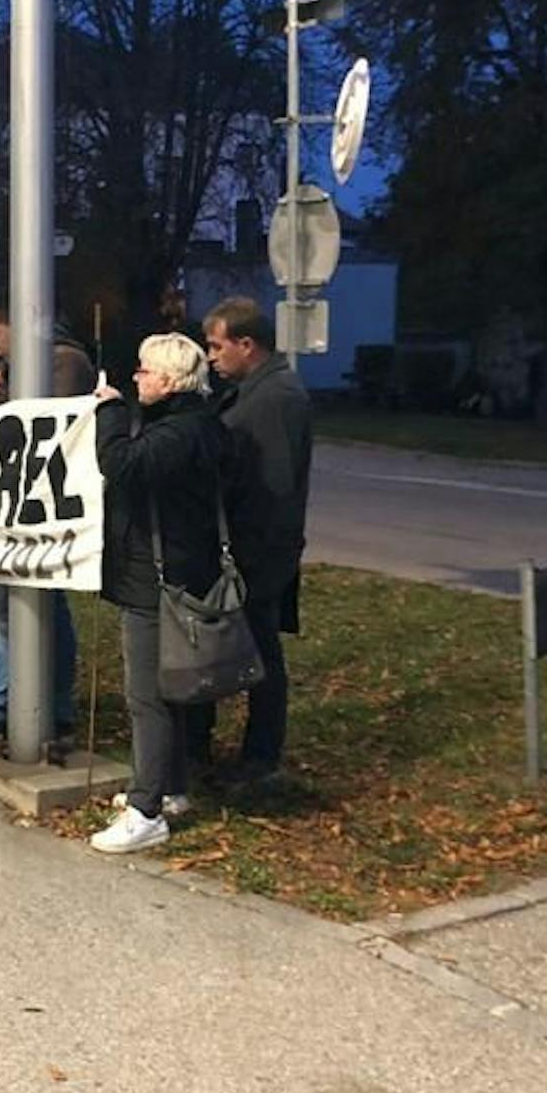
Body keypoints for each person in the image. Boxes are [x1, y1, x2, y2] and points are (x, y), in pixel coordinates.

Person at [88, 333, 223, 854]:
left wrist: (112, 414)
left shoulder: (178, 433)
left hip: (157, 581)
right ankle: (170, 787)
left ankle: (147, 810)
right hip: (170, 574)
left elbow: (121, 464)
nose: (136, 377)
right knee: (170, 690)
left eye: (144, 370)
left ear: (167, 379)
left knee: (147, 694)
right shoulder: (192, 424)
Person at [0, 291, 95, 750]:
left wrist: (3, 399)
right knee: (19, 603)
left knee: (18, 604)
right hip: (15, 499)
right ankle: (37, 703)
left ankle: (2, 705)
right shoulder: (17, 369)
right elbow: (1, 433)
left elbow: (48, 426)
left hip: (45, 503)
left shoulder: (66, 362)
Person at [201, 297, 314, 784]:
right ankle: (239, 751)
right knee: (247, 649)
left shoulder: (275, 399)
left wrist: (253, 557)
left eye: (216, 345)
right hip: (246, 547)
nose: (211, 356)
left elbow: (275, 486)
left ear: (246, 345)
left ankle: (261, 757)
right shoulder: (252, 391)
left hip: (257, 553)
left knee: (261, 654)